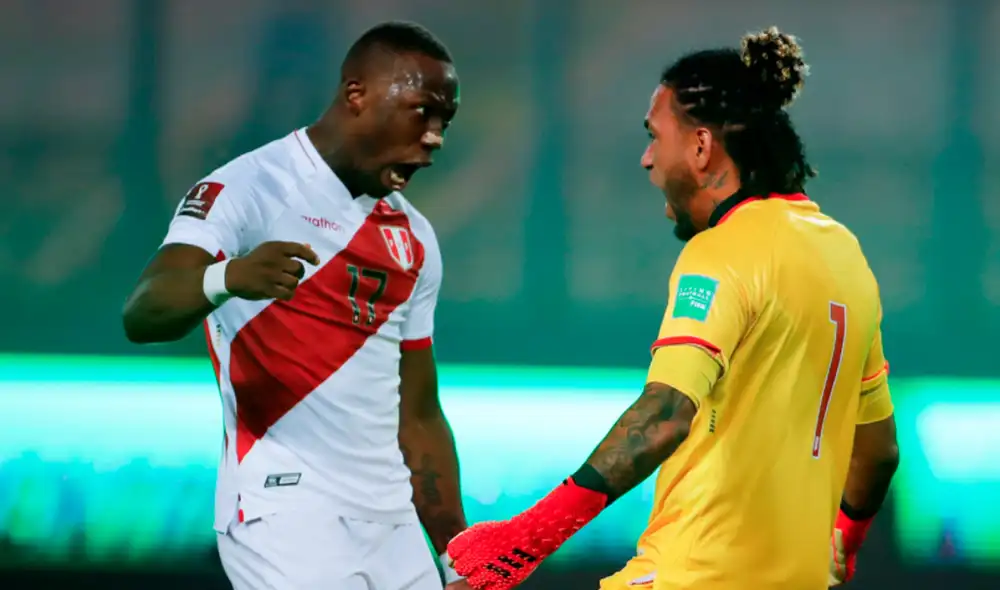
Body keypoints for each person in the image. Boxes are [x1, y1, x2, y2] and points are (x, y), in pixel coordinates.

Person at [445, 27, 900, 590]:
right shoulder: (845, 254)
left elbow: (662, 418)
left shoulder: (723, 250)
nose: (646, 159)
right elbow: (877, 451)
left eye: (655, 136)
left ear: (701, 147)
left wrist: (523, 541)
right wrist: (842, 549)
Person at [122, 21, 467, 590]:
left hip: (394, 522)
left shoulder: (416, 238)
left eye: (445, 122)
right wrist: (228, 276)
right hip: (286, 510)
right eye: (423, 112)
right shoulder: (251, 188)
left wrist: (457, 554)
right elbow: (142, 311)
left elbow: (420, 414)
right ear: (357, 94)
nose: (435, 137)